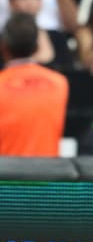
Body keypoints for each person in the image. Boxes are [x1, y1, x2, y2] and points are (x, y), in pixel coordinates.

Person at [0, 13, 68, 157]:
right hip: (46, 176)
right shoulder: (59, 83)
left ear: (3, 47)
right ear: (37, 47)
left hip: (5, 177)